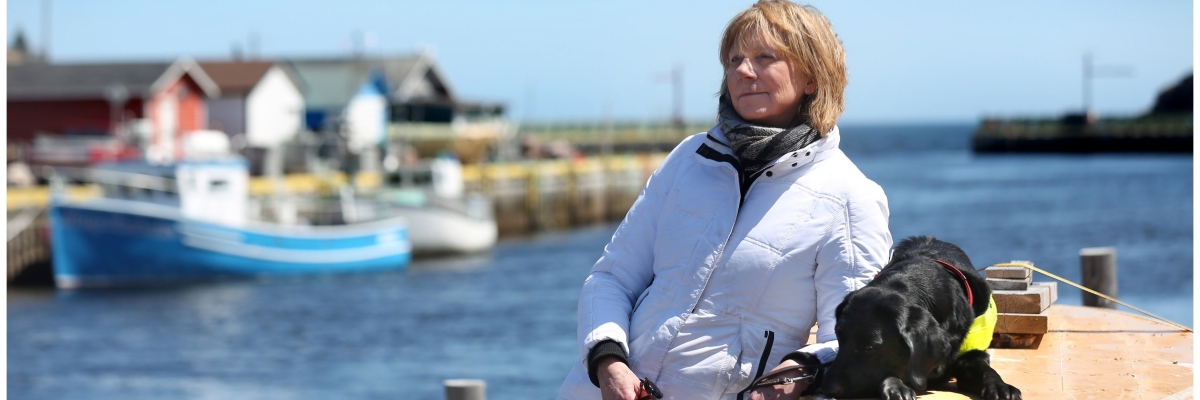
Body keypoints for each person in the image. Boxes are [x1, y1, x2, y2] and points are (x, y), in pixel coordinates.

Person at [557, 1, 892, 399]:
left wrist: (801, 371)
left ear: (813, 78)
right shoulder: (690, 158)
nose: (743, 71)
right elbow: (610, 278)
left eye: (765, 58)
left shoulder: (849, 196)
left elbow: (857, 337)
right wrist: (607, 361)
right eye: (734, 60)